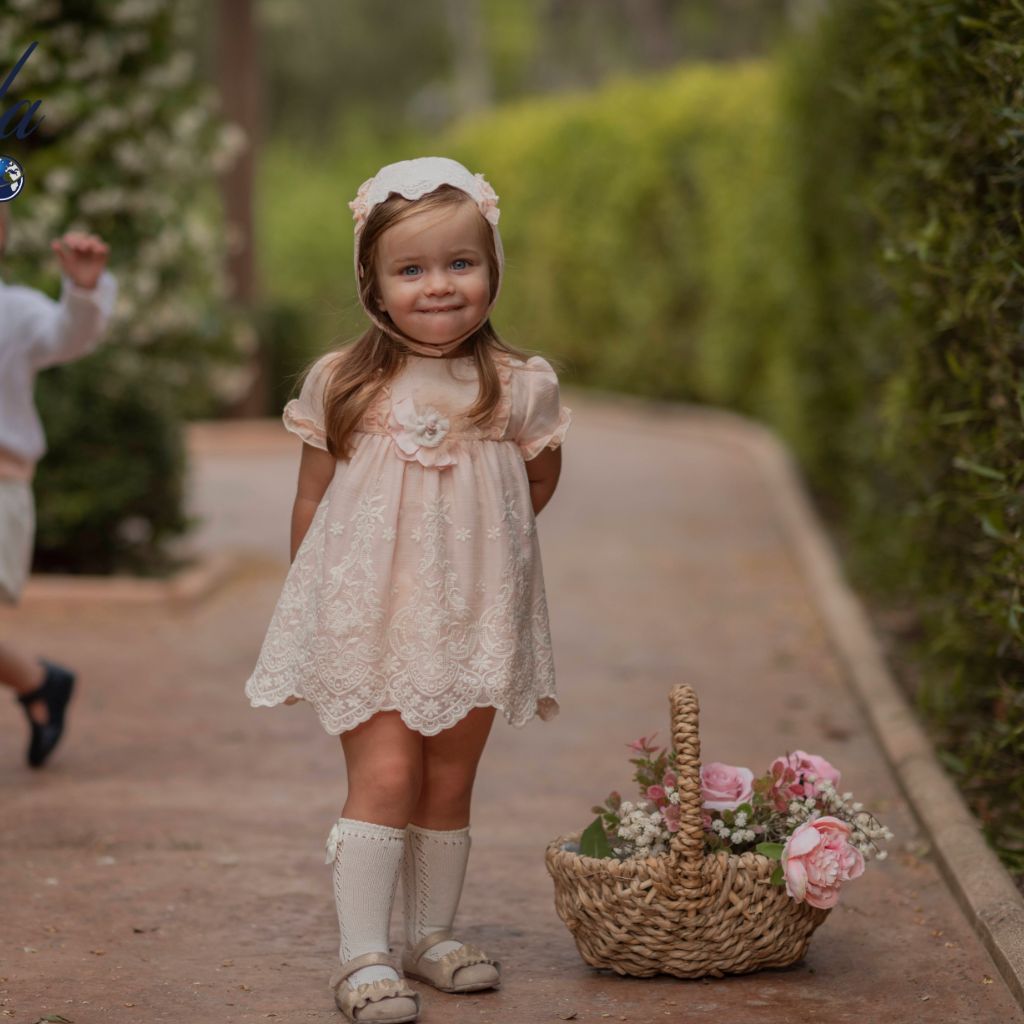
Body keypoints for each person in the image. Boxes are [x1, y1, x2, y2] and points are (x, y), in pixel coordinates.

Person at [244, 156, 571, 1022]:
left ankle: (429, 936)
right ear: (373, 284)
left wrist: (480, 550)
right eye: (412, 270)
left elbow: (537, 483)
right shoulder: (346, 384)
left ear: (494, 269)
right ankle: (362, 956)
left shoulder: (521, 385)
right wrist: (318, 605)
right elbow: (312, 496)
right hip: (372, 621)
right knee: (386, 776)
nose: (439, 287)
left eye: (461, 264)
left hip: (470, 617)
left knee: (448, 781)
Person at [0, 204, 117, 768]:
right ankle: (39, 683)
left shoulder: (14, 312)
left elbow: (66, 335)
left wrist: (83, 292)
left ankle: (39, 684)